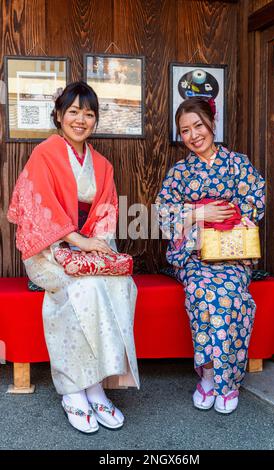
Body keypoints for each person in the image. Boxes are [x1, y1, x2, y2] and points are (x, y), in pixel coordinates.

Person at [7, 81, 140, 433]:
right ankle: (72, 390)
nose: (81, 119)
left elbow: (106, 212)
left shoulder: (102, 165)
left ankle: (96, 385)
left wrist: (96, 245)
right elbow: (40, 210)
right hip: (47, 249)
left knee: (119, 286)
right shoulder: (45, 154)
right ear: (59, 116)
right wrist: (76, 242)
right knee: (81, 290)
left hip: (86, 246)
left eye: (89, 113)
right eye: (74, 111)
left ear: (95, 120)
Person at [156, 97, 265, 414]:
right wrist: (197, 212)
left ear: (211, 124)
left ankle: (227, 381)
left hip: (231, 254)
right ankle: (207, 375)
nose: (193, 135)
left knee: (230, 295)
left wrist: (227, 218)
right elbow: (164, 217)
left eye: (198, 126)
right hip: (193, 257)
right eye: (185, 130)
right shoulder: (179, 173)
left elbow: (254, 203)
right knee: (201, 291)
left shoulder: (238, 164)